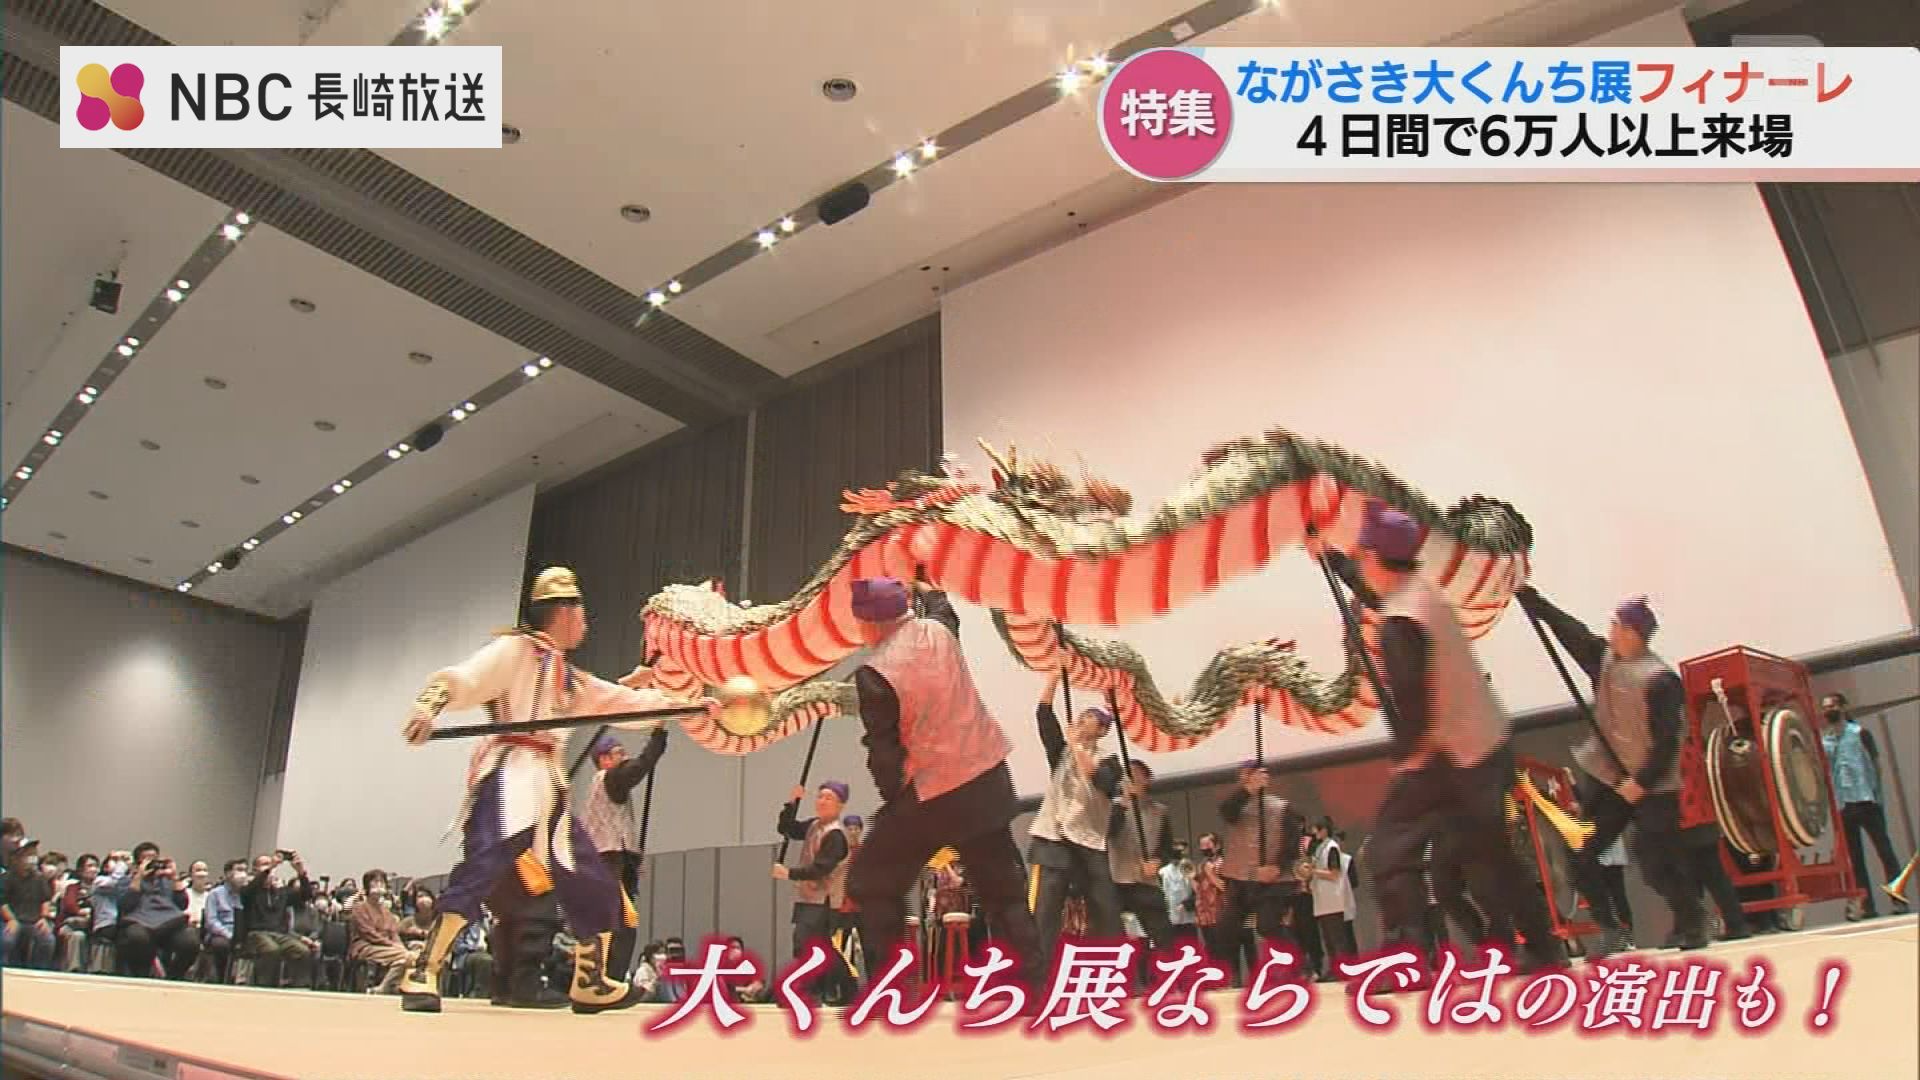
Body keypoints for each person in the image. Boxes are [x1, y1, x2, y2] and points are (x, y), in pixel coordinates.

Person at [398, 566, 706, 1015]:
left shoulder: (568, 676)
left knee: (591, 878)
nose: (585, 621)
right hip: (509, 773)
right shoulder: (514, 651)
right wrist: (429, 706)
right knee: (481, 869)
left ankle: (590, 981)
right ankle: (423, 969)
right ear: (563, 611)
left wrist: (691, 705)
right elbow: (465, 678)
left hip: (547, 784)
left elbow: (620, 703)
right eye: (581, 611)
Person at [1347, 504, 1566, 979]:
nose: (1359, 562)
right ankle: (1546, 948)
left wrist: (1409, 760)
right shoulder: (1424, 594)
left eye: (1361, 554)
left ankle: (1405, 959)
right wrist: (1330, 558)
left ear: (1376, 558)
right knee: (1494, 858)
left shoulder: (1401, 621)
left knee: (1389, 849)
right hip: (1487, 748)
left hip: (1445, 758)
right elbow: (1374, 594)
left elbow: (1414, 698)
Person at [841, 576, 1045, 996]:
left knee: (870, 883)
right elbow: (942, 608)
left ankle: (894, 991)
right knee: (1003, 892)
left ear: (871, 622)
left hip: (934, 793)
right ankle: (1036, 988)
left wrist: (894, 799)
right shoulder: (940, 630)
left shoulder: (875, 674)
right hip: (987, 780)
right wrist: (928, 586)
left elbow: (884, 753)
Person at [1515, 585, 1710, 956]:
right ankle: (1610, 927)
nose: (1611, 631)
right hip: (1608, 775)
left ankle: (1691, 920)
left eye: (1617, 626)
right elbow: (1573, 633)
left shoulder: (1660, 680)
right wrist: (1535, 602)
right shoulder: (1604, 661)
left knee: (1656, 860)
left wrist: (1642, 782)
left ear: (1633, 633)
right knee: (1580, 850)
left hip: (1653, 782)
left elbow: (1668, 741)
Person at [1029, 666, 1124, 956]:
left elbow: (1099, 779)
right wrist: (1054, 678)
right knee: (1044, 913)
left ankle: (1115, 969)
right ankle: (1038, 975)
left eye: (1091, 717)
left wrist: (1076, 744)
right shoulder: (1062, 753)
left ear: (1103, 730)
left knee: (1106, 911)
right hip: (1054, 840)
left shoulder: (1110, 761)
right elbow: (1044, 716)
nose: (1083, 718)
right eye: (1081, 715)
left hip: (1089, 843)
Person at [580, 727, 670, 979]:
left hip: (607, 858)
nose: (625, 757)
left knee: (615, 922)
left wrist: (633, 858)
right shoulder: (610, 779)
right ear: (604, 759)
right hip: (607, 859)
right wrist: (658, 739)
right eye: (620, 753)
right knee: (620, 923)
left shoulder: (605, 786)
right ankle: (610, 978)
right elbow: (640, 767)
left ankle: (603, 977)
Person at [1820, 693, 1909, 919]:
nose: (1828, 711)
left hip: (1866, 800)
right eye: (1825, 707)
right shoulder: (1826, 740)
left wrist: (1876, 794)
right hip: (1843, 804)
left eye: (1832, 706)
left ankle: (1898, 899)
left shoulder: (1860, 733)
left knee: (1885, 852)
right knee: (1855, 859)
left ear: (1843, 707)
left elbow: (1876, 764)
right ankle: (1867, 905)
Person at [1216, 761, 1302, 982]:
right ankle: (1225, 974)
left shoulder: (1282, 807)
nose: (1245, 779)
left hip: (1275, 878)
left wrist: (1277, 866)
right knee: (1227, 926)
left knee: (1268, 925)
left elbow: (1293, 843)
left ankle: (1297, 967)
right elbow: (1226, 811)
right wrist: (1248, 790)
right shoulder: (1236, 806)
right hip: (1241, 877)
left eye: (1251, 775)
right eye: (1243, 776)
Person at [772, 780, 853, 1000]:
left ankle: (812, 991)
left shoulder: (836, 835)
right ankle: (848, 990)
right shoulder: (814, 826)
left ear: (840, 805)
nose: (822, 801)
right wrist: (792, 802)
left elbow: (821, 868)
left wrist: (788, 873)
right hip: (808, 897)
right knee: (818, 946)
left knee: (806, 944)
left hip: (824, 899)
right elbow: (786, 828)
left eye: (829, 798)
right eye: (820, 796)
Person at [1106, 760, 1176, 972]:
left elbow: (1167, 847)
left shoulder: (1159, 811)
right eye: (1127, 774)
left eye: (1137, 774)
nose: (1131, 778)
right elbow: (1107, 832)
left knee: (1162, 933)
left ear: (1147, 779)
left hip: (1146, 879)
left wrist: (1158, 861)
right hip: (1116, 879)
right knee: (1112, 935)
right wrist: (1124, 803)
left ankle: (1171, 976)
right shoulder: (1111, 806)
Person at [118, 855, 200, 979]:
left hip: (170, 922)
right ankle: (142, 976)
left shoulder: (168, 880)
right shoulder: (127, 880)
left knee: (190, 940)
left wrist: (174, 876)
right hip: (139, 922)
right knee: (137, 937)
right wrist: (139, 876)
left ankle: (174, 976)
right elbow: (126, 905)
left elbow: (182, 904)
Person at [242, 851, 316, 987]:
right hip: (256, 933)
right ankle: (265, 986)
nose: (269, 868)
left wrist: (300, 872)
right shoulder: (250, 890)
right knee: (271, 949)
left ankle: (299, 986)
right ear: (255, 870)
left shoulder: (281, 892)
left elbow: (306, 895)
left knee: (302, 951)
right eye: (264, 864)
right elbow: (252, 887)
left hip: (280, 934)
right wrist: (271, 866)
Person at [1308, 818, 1357, 981]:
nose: (1313, 833)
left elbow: (1334, 874)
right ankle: (1334, 969)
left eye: (1316, 829)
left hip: (1333, 900)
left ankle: (1343, 969)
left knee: (1338, 938)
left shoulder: (1331, 847)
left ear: (1323, 830)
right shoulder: (1320, 848)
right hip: (1323, 900)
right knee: (1328, 939)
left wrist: (1314, 871)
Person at [349, 871, 414, 993]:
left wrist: (399, 946)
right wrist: (391, 945)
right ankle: (387, 987)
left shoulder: (386, 911)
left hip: (387, 947)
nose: (379, 884)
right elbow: (368, 933)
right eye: (375, 881)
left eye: (382, 882)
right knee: (407, 956)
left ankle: (383, 987)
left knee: (407, 958)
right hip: (366, 947)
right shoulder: (359, 908)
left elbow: (393, 933)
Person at [2, 841, 56, 969]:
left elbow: (45, 899)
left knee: (48, 940)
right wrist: (11, 919)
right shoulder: (6, 878)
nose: (32, 858)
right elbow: (2, 903)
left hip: (34, 921)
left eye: (34, 854)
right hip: (11, 920)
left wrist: (43, 918)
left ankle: (39, 970)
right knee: (7, 940)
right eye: (27, 854)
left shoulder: (39, 879)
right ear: (16, 857)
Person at [202, 860, 247, 979]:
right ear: (228, 874)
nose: (243, 874)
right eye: (239, 870)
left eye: (244, 870)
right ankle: (220, 978)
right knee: (221, 945)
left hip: (242, 933)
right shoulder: (215, 894)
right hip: (221, 933)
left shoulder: (246, 894)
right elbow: (211, 922)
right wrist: (229, 935)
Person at [57, 854, 100, 972]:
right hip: (71, 924)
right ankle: (74, 970)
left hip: (93, 924)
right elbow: (70, 905)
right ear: (81, 870)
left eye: (96, 866)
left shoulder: (102, 888)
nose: (94, 869)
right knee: (78, 936)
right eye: (90, 866)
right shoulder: (73, 887)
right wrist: (80, 911)